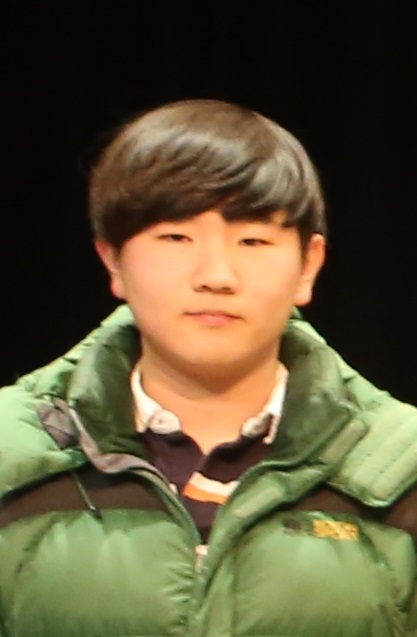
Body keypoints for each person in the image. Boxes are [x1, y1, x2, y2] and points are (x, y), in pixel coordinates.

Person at [0, 99, 416, 637]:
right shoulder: (12, 452)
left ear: (308, 265)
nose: (216, 275)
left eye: (253, 241)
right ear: (112, 261)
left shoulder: (402, 466)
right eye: (176, 237)